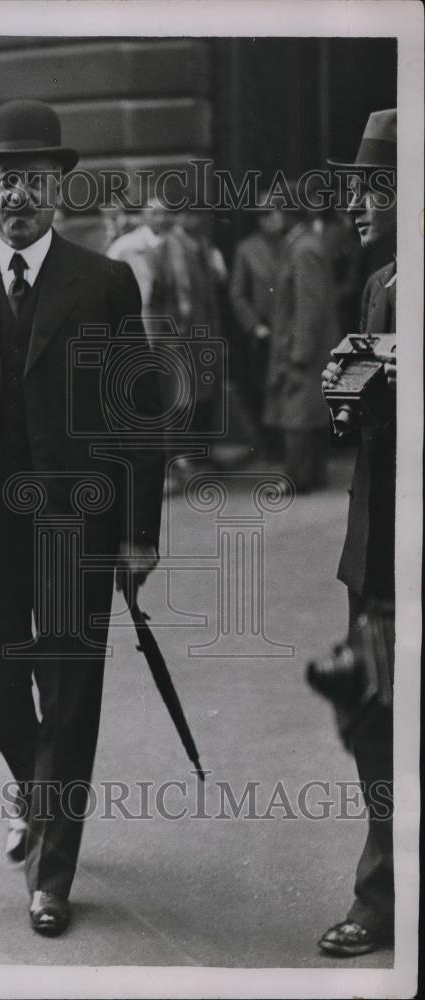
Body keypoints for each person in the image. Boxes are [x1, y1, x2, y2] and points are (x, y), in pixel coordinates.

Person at [0, 100, 164, 936]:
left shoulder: (105, 281)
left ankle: (52, 875)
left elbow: (139, 416)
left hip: (73, 529)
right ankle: (37, 785)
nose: (18, 193)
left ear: (60, 188)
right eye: (4, 178)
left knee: (72, 695)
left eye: (34, 179)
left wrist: (138, 532)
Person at [319, 109, 397, 958]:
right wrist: (349, 392)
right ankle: (379, 897)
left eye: (372, 187)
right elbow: (361, 421)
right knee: (371, 723)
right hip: (373, 548)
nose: (356, 204)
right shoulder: (379, 286)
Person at [263, 192, 339, 492]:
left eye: (273, 212)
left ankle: (298, 478)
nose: (269, 219)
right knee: (306, 412)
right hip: (304, 345)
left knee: (298, 413)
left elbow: (309, 306)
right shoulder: (301, 245)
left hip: (304, 347)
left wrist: (300, 354)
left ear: (286, 214)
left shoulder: (303, 249)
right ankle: (311, 474)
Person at [229, 206, 286, 455]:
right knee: (264, 388)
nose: (274, 220)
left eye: (276, 214)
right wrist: (254, 326)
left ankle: (293, 444)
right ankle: (270, 445)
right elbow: (238, 293)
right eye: (267, 216)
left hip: (289, 328)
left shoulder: (291, 244)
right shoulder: (247, 248)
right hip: (264, 331)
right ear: (259, 220)